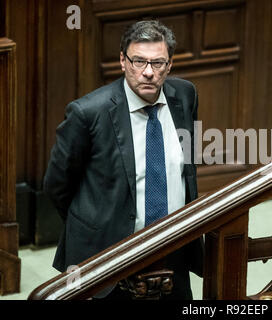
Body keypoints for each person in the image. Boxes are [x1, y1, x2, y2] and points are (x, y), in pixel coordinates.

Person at [44, 20, 203, 300]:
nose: (148, 73)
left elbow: (186, 167)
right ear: (122, 60)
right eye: (138, 61)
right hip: (111, 254)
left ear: (170, 64)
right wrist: (95, 224)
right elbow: (58, 184)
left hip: (174, 247)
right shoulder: (88, 113)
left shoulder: (185, 95)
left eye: (158, 63)